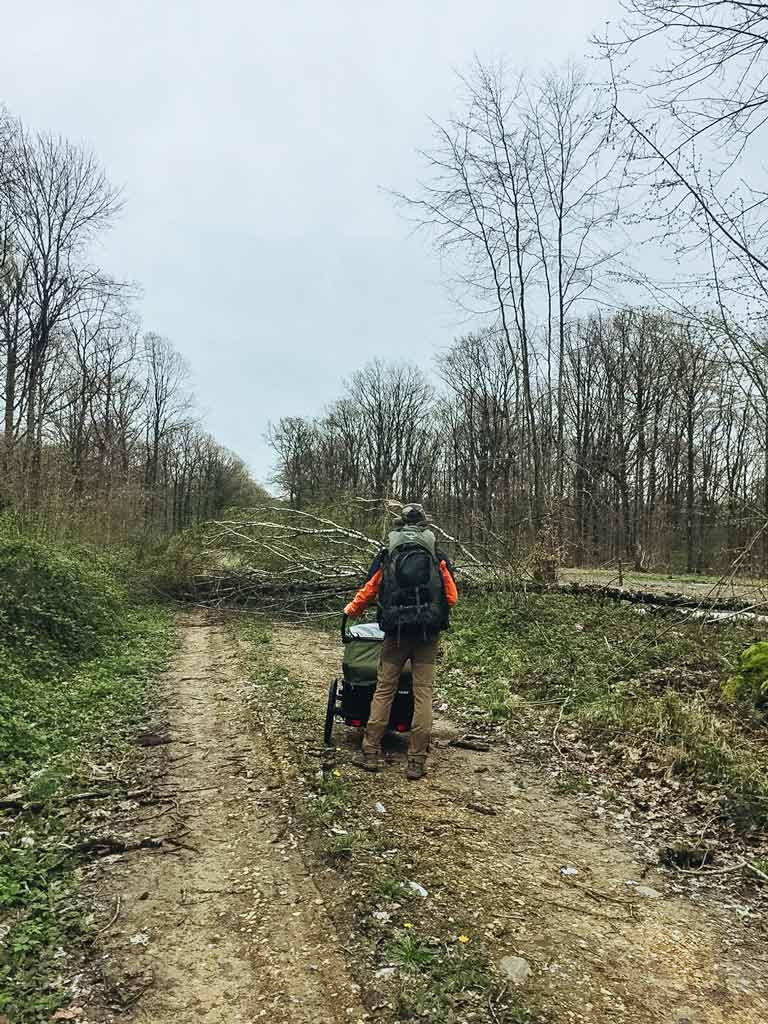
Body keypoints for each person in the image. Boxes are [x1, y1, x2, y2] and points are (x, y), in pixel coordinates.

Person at [343, 503, 458, 781]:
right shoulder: (436, 555)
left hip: (395, 633)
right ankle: (416, 761)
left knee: (384, 690)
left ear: (400, 524)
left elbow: (370, 588)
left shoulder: (388, 553)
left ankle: (370, 751)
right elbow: (452, 597)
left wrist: (351, 610)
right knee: (423, 694)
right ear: (425, 526)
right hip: (427, 635)